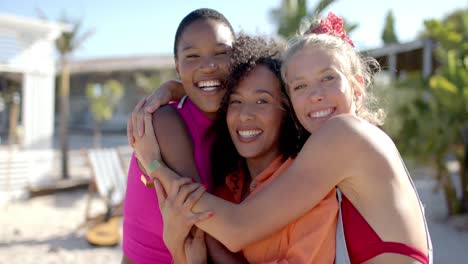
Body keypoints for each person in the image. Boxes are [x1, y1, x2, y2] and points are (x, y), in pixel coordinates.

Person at [133, 12, 432, 264]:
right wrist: (178, 88)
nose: (315, 95)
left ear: (356, 86)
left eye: (328, 78)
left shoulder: (344, 134)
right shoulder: (351, 146)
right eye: (300, 86)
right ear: (291, 100)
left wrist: (154, 164)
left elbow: (238, 227)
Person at [152, 35, 338, 263]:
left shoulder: (310, 189)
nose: (244, 114)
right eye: (235, 102)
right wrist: (175, 243)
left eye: (262, 101)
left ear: (286, 110)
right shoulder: (225, 189)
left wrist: (153, 163)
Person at [121, 8, 235, 264]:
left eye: (221, 53)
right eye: (192, 56)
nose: (208, 66)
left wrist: (175, 87)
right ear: (177, 66)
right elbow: (201, 221)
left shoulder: (237, 121)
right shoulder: (164, 121)